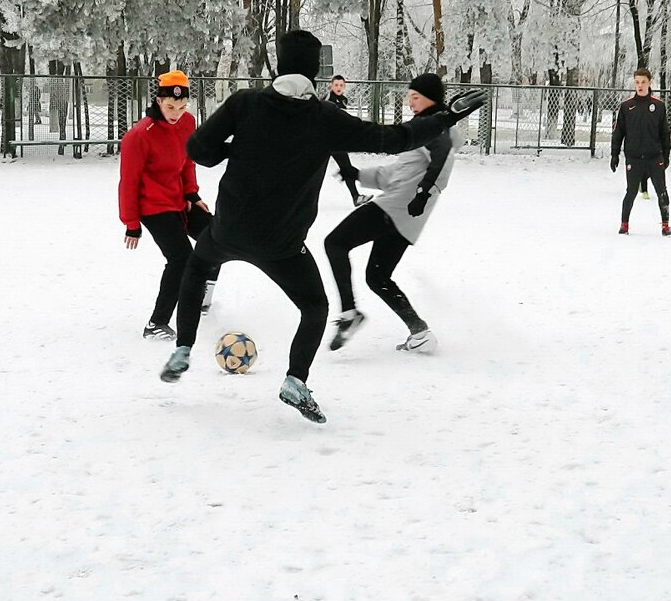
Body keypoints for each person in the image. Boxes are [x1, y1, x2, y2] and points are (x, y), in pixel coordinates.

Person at [158, 31, 485, 424]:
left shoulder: (245, 104)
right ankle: (295, 380)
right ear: (315, 72)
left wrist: (238, 147)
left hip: (228, 231)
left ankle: (183, 349)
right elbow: (393, 140)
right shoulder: (324, 118)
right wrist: (446, 117)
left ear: (279, 66)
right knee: (315, 308)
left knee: (196, 267)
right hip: (282, 245)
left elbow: (198, 151)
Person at [323, 73, 460, 356]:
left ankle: (349, 313)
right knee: (378, 277)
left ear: (431, 99)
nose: (410, 103)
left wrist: (424, 192)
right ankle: (419, 331)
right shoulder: (424, 131)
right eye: (409, 97)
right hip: (407, 218)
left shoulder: (435, 130)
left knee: (335, 243)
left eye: (415, 98)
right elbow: (394, 174)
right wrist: (357, 174)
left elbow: (443, 160)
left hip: (395, 208)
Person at [118, 70, 218, 340]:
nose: (176, 112)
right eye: (170, 106)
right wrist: (131, 224)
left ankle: (202, 295)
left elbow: (187, 162)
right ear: (159, 101)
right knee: (181, 260)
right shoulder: (138, 136)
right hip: (152, 207)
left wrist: (193, 196)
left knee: (217, 234)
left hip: (179, 200)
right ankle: (156, 323)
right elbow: (128, 182)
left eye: (182, 106)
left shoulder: (187, 122)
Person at [611, 68, 671, 236]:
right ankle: (624, 225)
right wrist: (614, 154)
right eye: (637, 82)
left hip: (654, 157)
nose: (640, 85)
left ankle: (665, 226)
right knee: (631, 192)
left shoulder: (658, 106)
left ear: (649, 83)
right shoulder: (626, 106)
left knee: (662, 191)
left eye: (643, 82)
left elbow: (664, 133)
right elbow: (618, 132)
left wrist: (666, 155)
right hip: (634, 157)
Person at [326, 74, 370, 207]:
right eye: (336, 85)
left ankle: (356, 196)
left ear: (344, 87)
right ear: (331, 86)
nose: (338, 88)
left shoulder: (342, 100)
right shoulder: (329, 101)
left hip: (335, 142)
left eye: (341, 85)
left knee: (346, 167)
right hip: (328, 141)